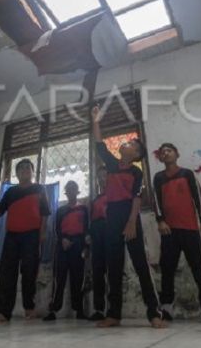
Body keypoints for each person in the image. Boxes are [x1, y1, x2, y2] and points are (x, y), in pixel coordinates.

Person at [91, 106, 164, 329]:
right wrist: (96, 120)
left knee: (140, 264)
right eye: (129, 142)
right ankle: (114, 314)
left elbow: (136, 198)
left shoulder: (136, 171)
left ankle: (154, 313)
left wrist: (132, 222)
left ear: (137, 155)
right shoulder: (112, 165)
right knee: (113, 266)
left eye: (132, 144)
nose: (128, 144)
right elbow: (99, 144)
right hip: (112, 215)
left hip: (129, 215)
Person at [0, 159, 50, 324]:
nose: (24, 170)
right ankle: (2, 313)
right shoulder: (11, 192)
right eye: (20, 168)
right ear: (17, 173)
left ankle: (29, 309)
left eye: (27, 167)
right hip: (12, 237)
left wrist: (42, 233)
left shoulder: (39, 189)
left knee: (30, 272)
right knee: (7, 274)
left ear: (32, 171)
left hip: (32, 236)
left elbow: (45, 212)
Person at [153, 143, 201, 325]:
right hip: (168, 231)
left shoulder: (187, 173)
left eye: (169, 150)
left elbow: (199, 197)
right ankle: (166, 309)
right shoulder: (158, 178)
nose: (166, 153)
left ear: (177, 154)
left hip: (190, 228)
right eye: (163, 152)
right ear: (160, 158)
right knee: (167, 269)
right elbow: (156, 201)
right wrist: (160, 221)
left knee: (199, 269)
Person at [44, 181, 88, 321]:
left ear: (77, 191)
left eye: (73, 189)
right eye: (68, 189)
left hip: (78, 244)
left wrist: (86, 246)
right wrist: (63, 239)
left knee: (78, 278)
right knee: (59, 278)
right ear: (66, 192)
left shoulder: (83, 208)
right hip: (62, 246)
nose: (71, 191)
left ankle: (79, 310)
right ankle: (53, 311)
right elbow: (57, 229)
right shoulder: (61, 210)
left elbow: (86, 229)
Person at [87, 164, 108, 321]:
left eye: (105, 175)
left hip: (112, 233)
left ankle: (114, 308)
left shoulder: (116, 196)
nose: (102, 179)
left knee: (113, 271)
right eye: (99, 176)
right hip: (97, 235)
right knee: (97, 272)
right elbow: (91, 220)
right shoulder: (95, 200)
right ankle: (99, 309)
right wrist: (89, 235)